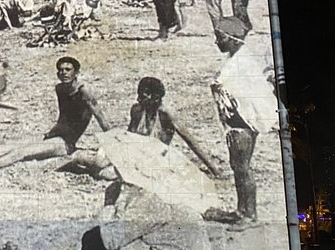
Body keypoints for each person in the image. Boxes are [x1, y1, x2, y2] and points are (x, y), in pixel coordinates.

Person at [0, 56, 110, 173]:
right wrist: (53, 131)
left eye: (68, 70)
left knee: (21, 153)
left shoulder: (84, 91)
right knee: (11, 145)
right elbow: (64, 117)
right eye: (60, 70)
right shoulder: (60, 89)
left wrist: (112, 140)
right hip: (55, 137)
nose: (64, 73)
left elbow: (99, 115)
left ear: (76, 72)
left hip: (65, 144)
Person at [1, 180, 211, 250]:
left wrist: (110, 203)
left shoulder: (151, 207)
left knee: (94, 242)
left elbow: (106, 239)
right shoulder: (179, 203)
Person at [71, 76, 225, 182]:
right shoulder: (137, 110)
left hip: (153, 158)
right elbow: (129, 136)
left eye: (143, 96)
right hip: (134, 153)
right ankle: (80, 160)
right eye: (139, 95)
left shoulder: (166, 114)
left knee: (106, 173)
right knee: (99, 160)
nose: (139, 99)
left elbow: (190, 141)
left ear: (155, 97)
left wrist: (213, 169)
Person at [209, 27, 276, 225]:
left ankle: (250, 215)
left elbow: (243, 95)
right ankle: (241, 210)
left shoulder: (241, 65)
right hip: (237, 126)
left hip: (242, 127)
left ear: (234, 39)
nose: (217, 42)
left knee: (242, 169)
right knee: (237, 168)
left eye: (220, 38)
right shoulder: (237, 60)